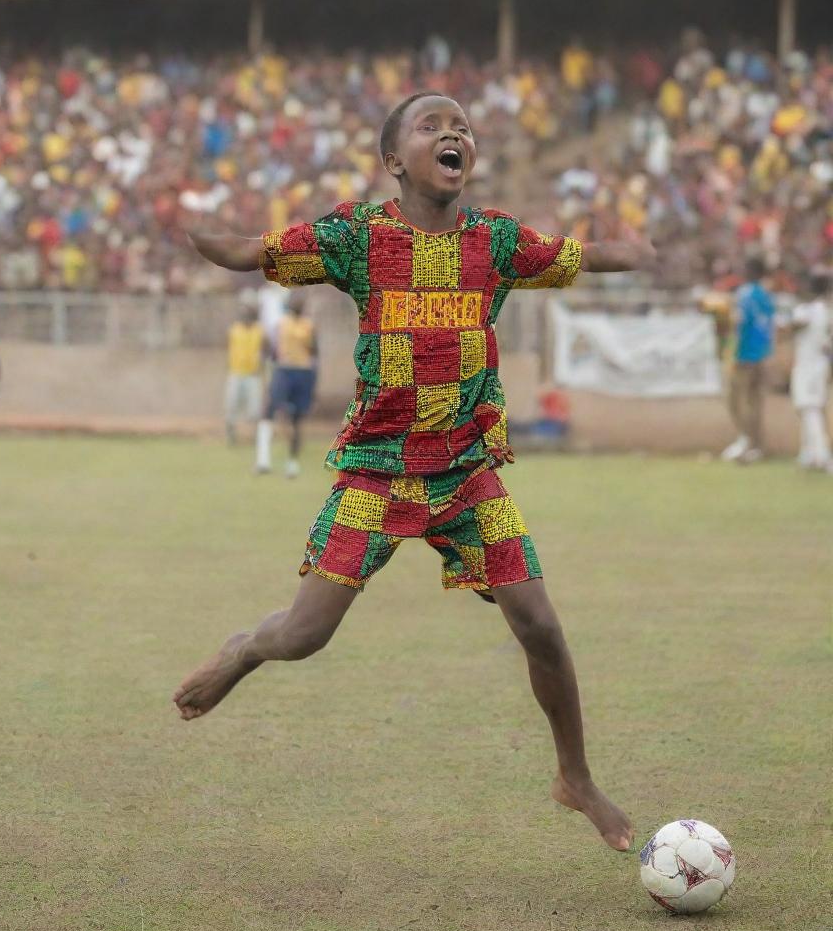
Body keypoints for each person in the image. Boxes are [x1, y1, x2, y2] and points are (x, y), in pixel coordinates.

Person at [176, 91, 657, 853]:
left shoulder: (495, 242)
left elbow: (575, 256)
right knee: (303, 636)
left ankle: (577, 778)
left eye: (461, 125)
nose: (453, 132)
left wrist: (632, 254)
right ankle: (244, 650)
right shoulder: (357, 236)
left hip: (467, 471)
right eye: (432, 125)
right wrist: (187, 228)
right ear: (395, 161)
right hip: (377, 472)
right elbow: (249, 251)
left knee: (539, 624)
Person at [256, 293, 318, 478]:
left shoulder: (308, 326)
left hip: (302, 372)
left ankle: (292, 463)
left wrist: (314, 382)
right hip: (284, 370)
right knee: (269, 410)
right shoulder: (282, 323)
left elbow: (315, 354)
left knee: (296, 419)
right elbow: (269, 346)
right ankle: (263, 459)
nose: (297, 303)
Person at [722, 258, 775, 464]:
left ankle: (745, 440)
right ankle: (757, 446)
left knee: (734, 399)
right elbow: (770, 325)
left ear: (747, 271)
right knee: (755, 402)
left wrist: (732, 351)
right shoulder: (765, 296)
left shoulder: (744, 294)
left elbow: (739, 322)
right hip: (762, 354)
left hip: (743, 355)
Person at [788, 275, 832, 472]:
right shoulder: (827, 311)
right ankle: (808, 453)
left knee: (809, 408)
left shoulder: (806, 310)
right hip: (820, 364)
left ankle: (823, 455)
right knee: (811, 408)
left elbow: (794, 325)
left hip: (808, 365)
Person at [224, 292, 266, 446]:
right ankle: (231, 436)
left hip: (253, 375)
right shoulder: (234, 329)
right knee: (231, 407)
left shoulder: (259, 331)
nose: (245, 311)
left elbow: (264, 351)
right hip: (236, 373)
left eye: (248, 308)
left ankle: (256, 438)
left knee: (254, 411)